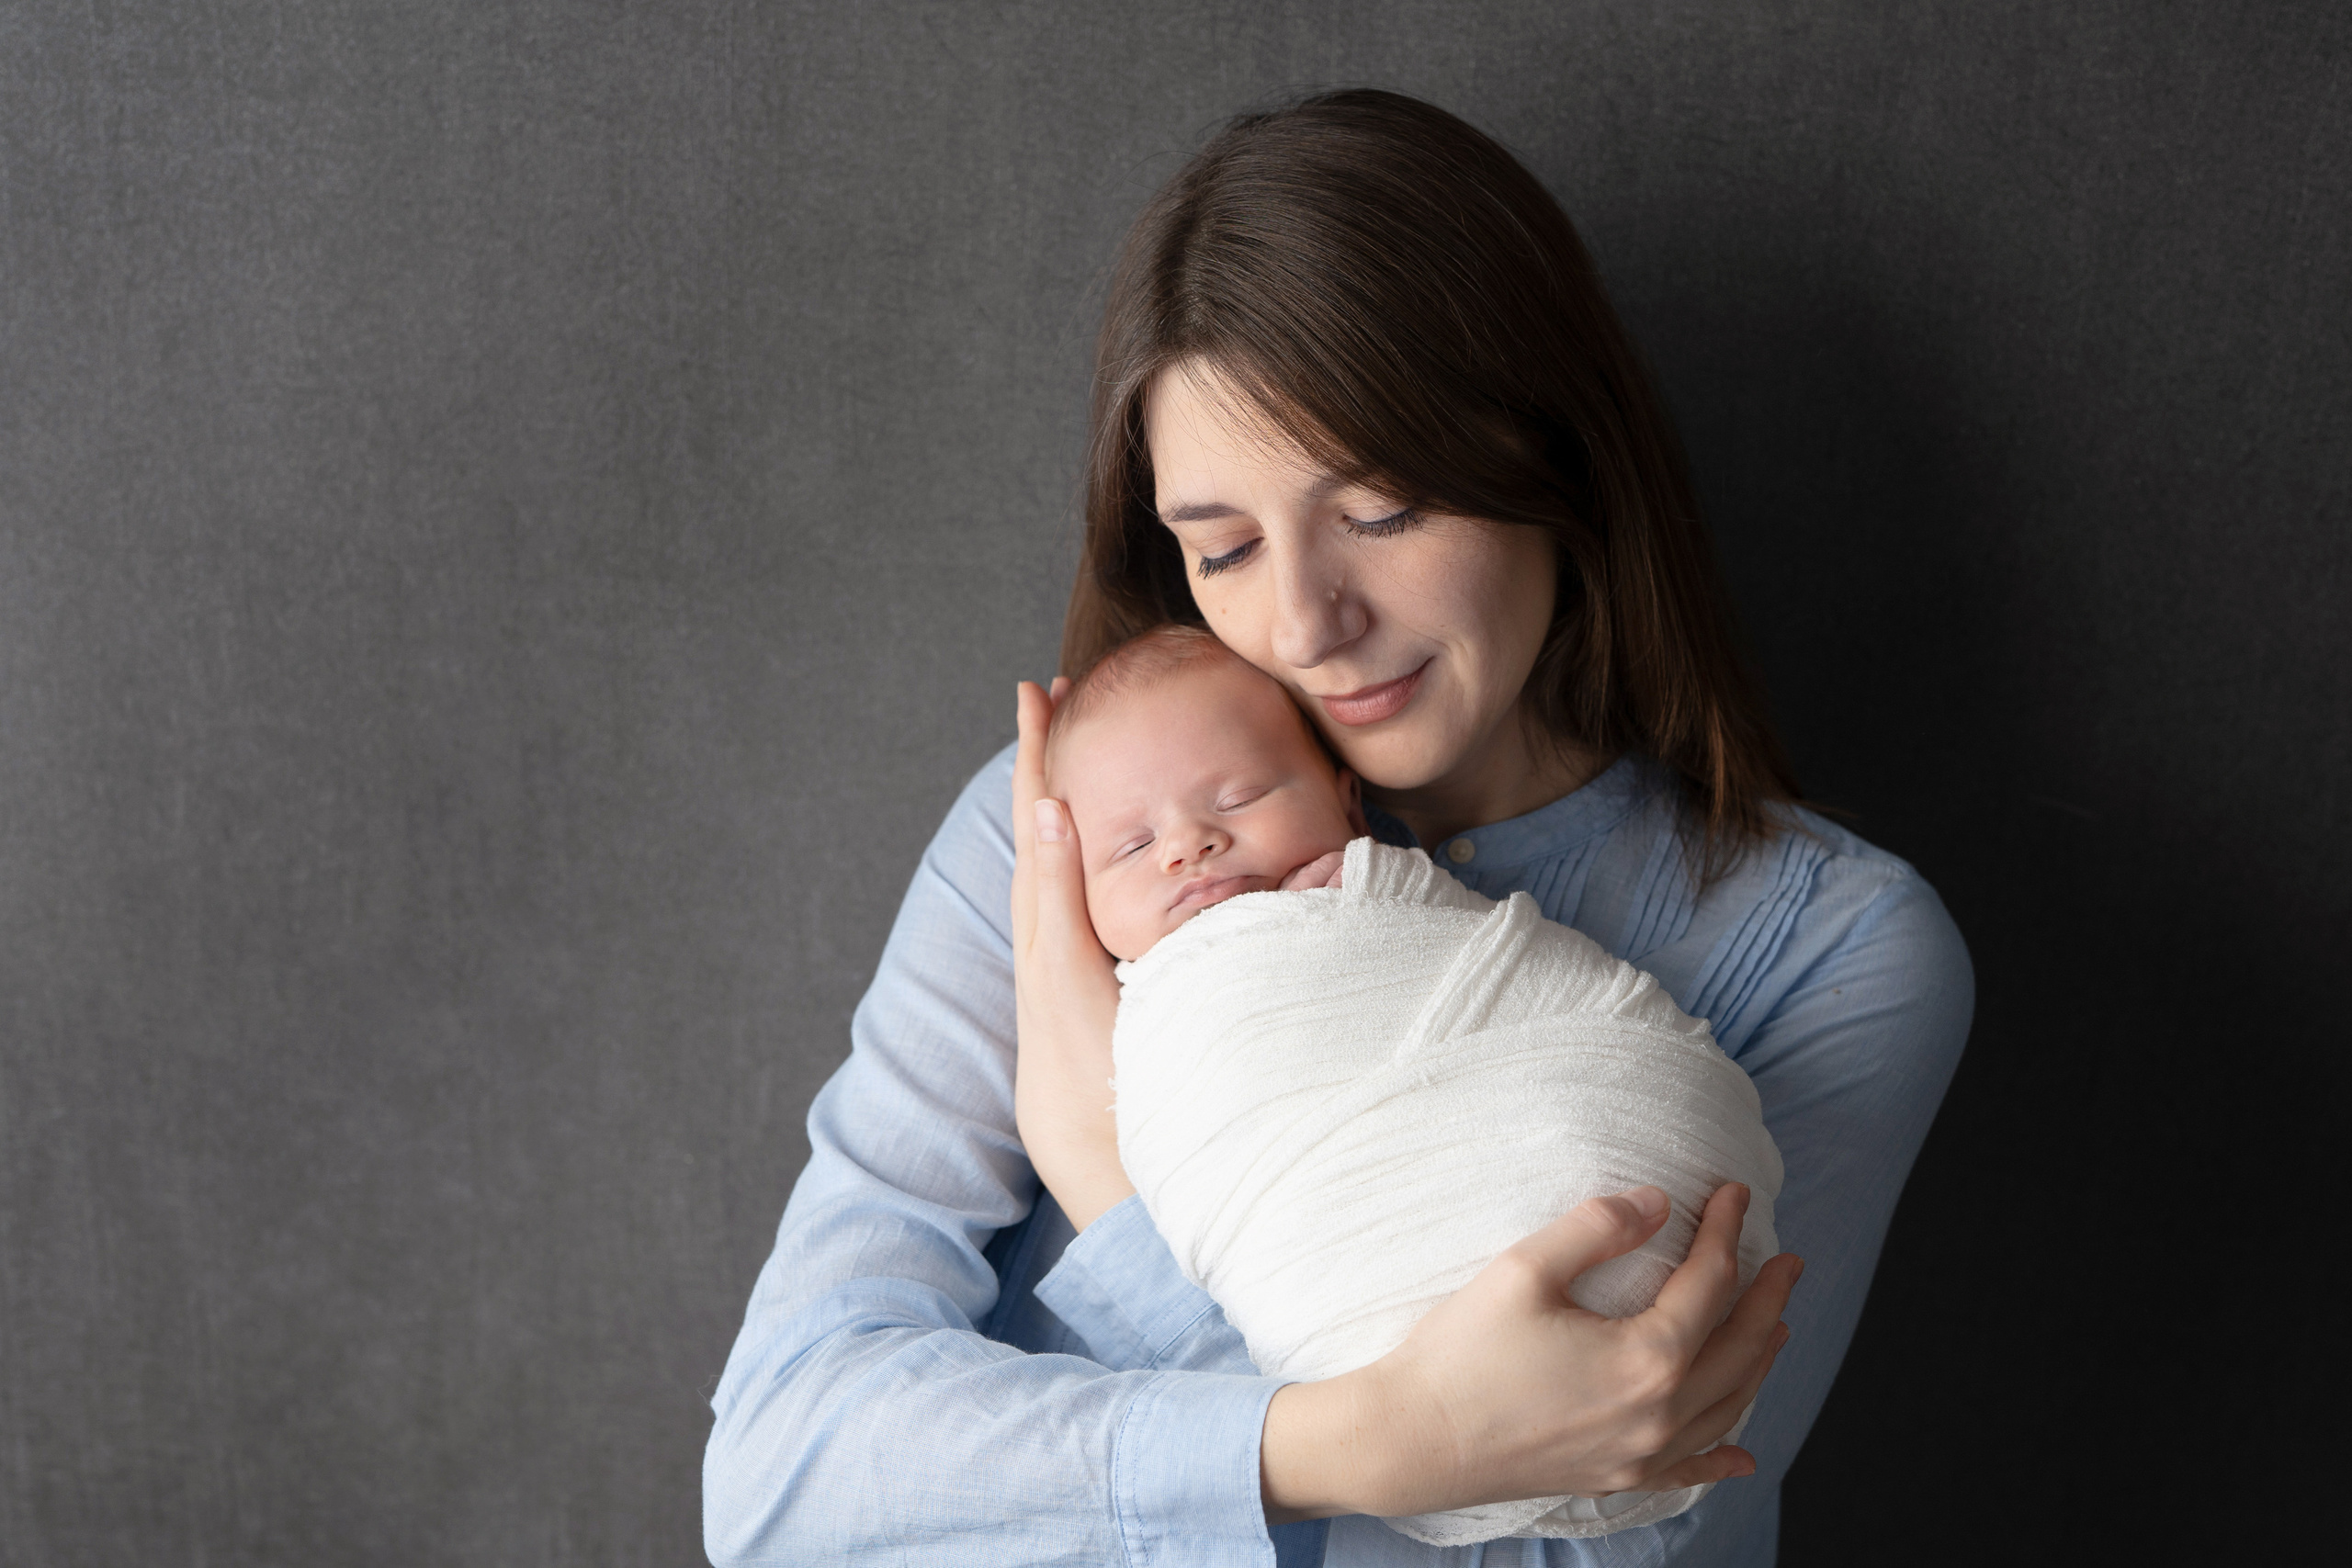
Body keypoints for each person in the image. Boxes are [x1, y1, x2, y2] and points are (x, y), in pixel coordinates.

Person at [704, 88, 1973, 1567]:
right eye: (1225, 547)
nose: (1305, 620)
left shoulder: (1823, 951)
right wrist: (1354, 1444)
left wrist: (1113, 1196)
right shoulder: (1073, 838)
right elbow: (784, 1471)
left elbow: (1602, 1541)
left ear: (1556, 461)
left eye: (1379, 510)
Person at [1052, 622, 1789, 1549]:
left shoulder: (1391, 910)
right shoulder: (1152, 1010)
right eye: (1129, 846)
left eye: (1237, 797)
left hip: (1659, 1225)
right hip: (1368, 1324)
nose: (1190, 846)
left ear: (1345, 802)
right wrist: (1372, 1441)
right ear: (1066, 880)